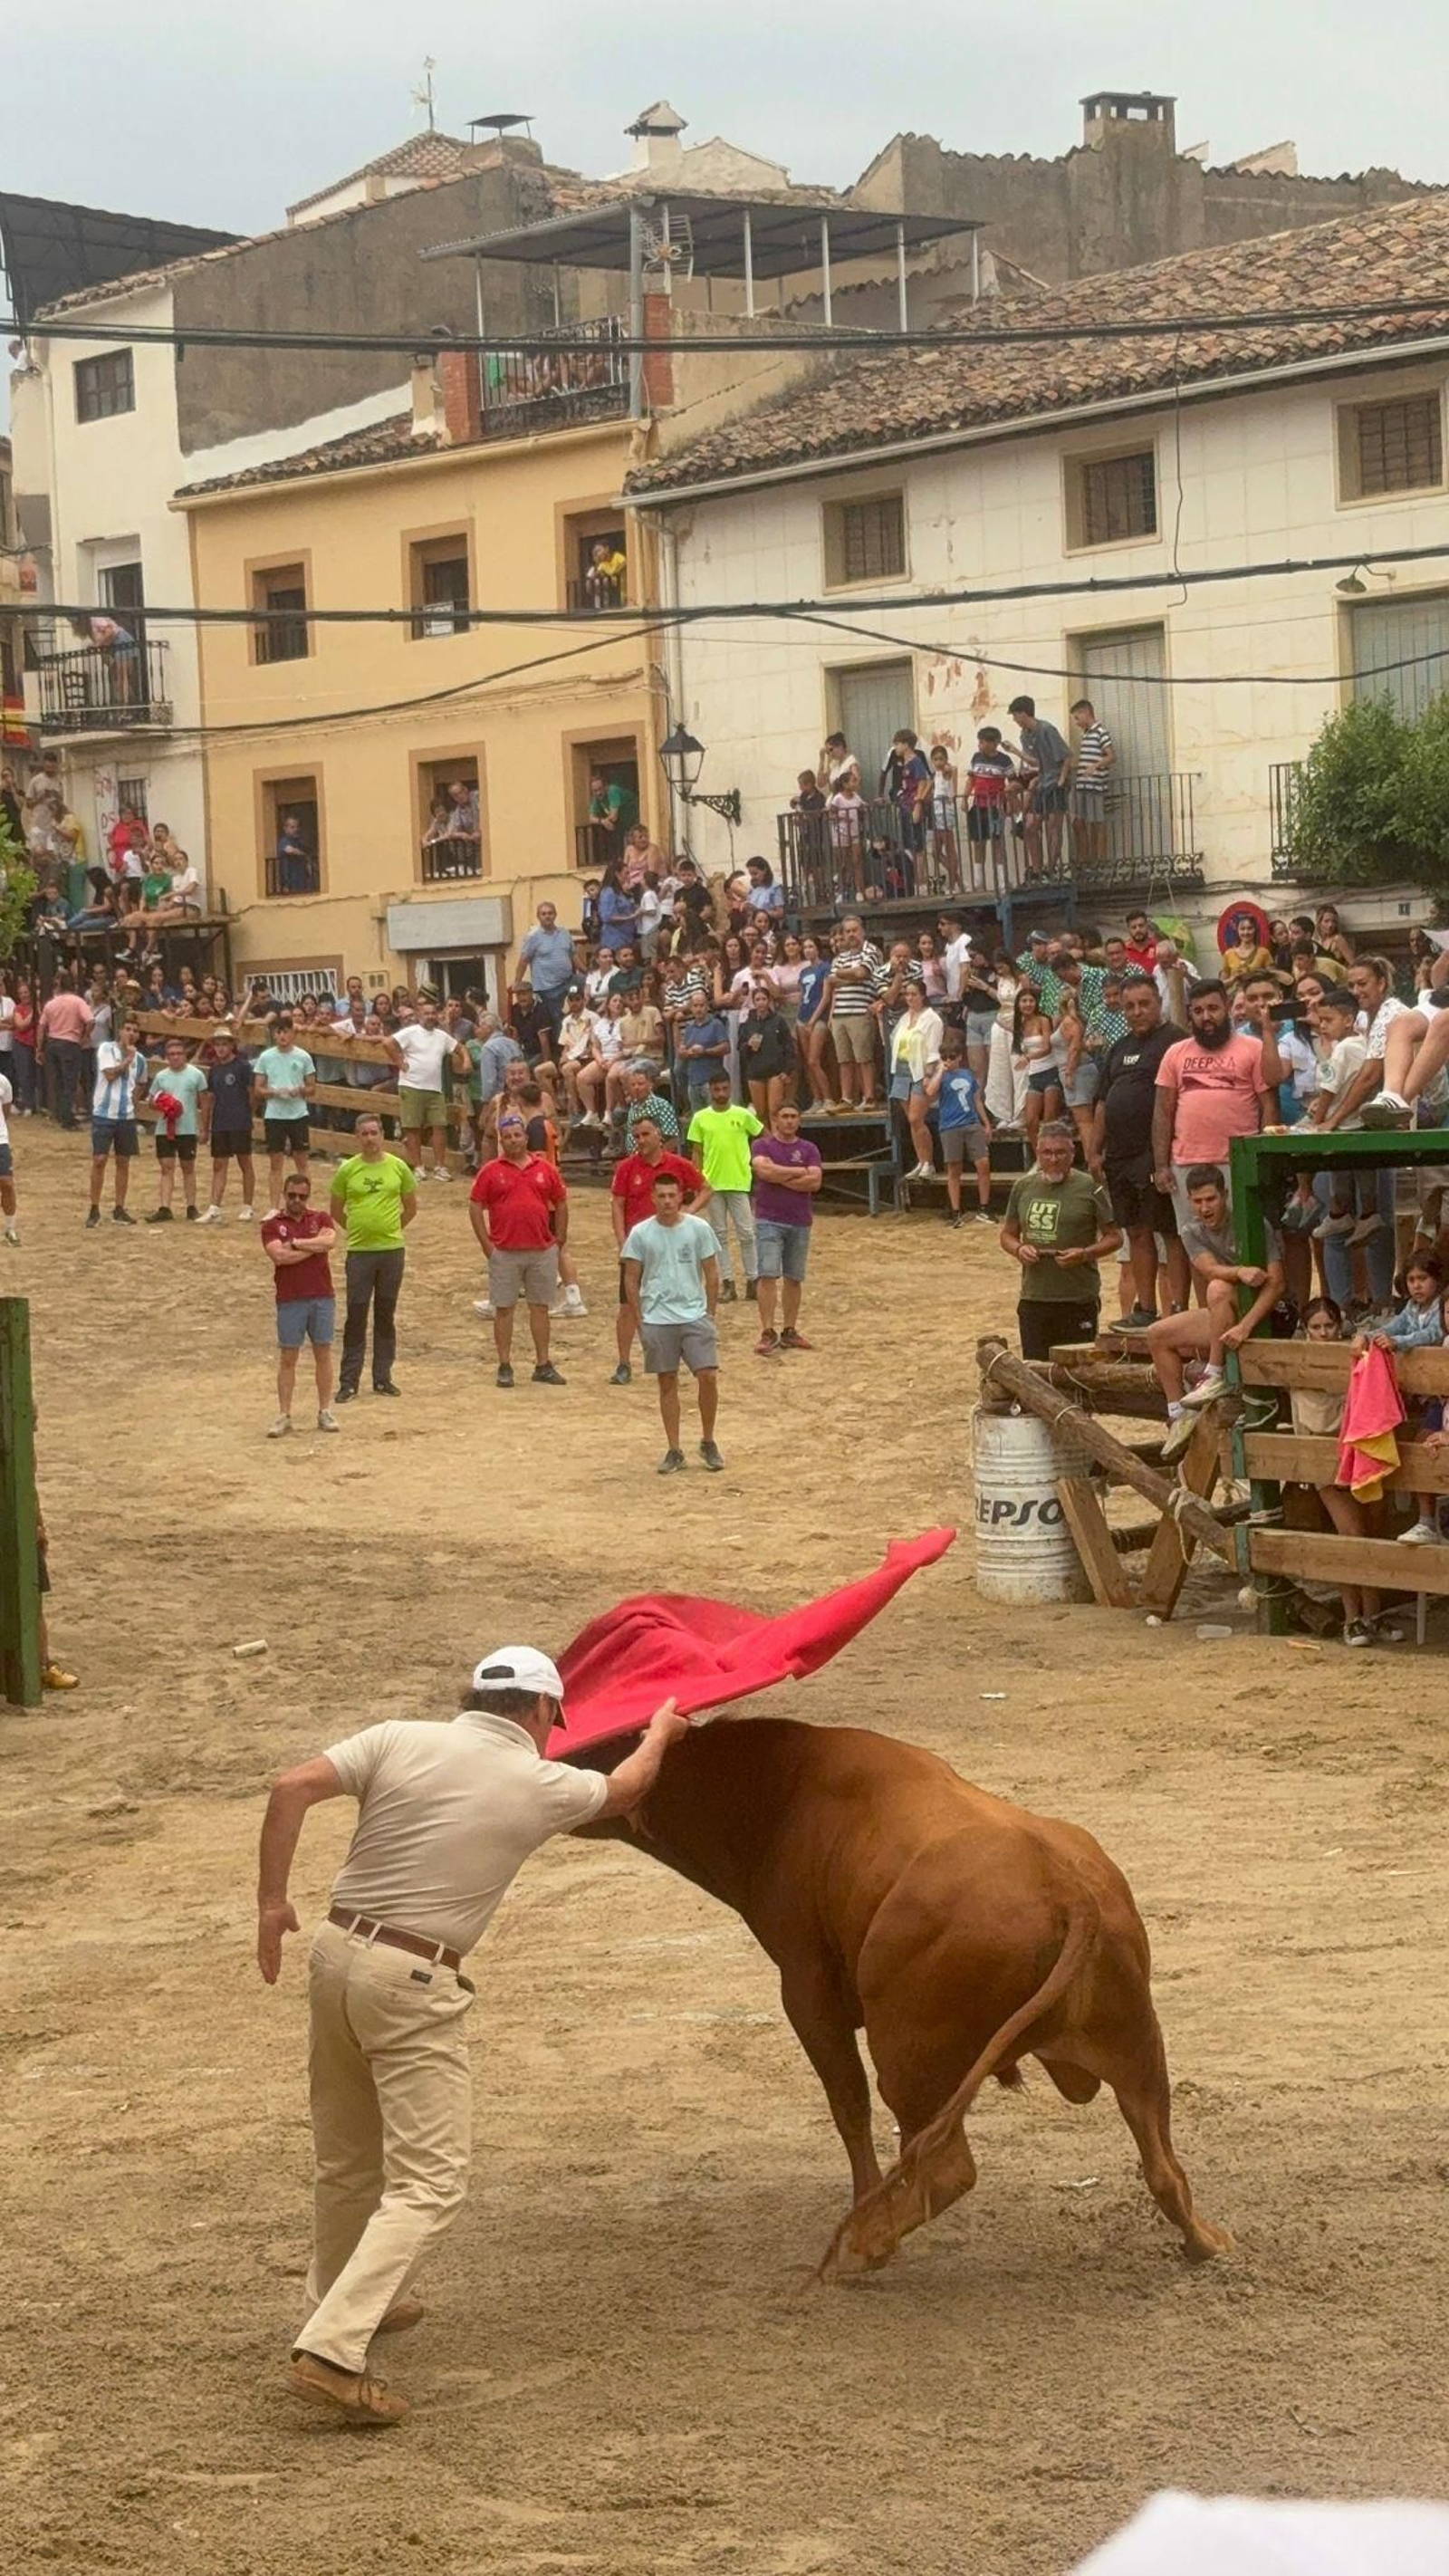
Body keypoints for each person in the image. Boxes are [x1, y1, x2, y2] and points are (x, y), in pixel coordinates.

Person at [256, 1651, 688, 2425]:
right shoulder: (539, 1780)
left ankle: (343, 2302)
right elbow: (627, 1789)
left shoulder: (397, 1736)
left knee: (348, 2158)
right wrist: (659, 1731)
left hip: (334, 1952)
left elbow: (291, 1787)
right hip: (411, 1979)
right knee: (430, 2181)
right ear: (541, 1712)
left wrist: (270, 1902)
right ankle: (332, 2348)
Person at [1146, 1165, 1286, 1459]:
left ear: (1225, 1195)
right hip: (1224, 1311)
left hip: (1266, 1315)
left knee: (1218, 1289)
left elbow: (1277, 1284)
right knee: (1157, 1334)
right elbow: (1208, 1268)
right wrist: (1240, 1271)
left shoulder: (1252, 1224)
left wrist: (1246, 1326)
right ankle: (1177, 1414)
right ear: (1188, 1201)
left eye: (1211, 1199)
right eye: (1197, 1201)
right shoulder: (1191, 1231)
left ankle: (1214, 1373)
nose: (1205, 1207)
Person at [1093, 975, 1190, 1327]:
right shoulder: (1119, 1048)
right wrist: (1094, 1150)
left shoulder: (1176, 1042)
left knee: (1170, 1232)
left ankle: (1178, 1310)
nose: (1137, 1012)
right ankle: (1145, 1309)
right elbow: (1103, 1101)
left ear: (1158, 1003)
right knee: (1135, 1230)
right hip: (1120, 1155)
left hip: (1156, 1154)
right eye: (1129, 1006)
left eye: (1144, 1004)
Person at [621, 1169, 724, 1472]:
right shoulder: (640, 1233)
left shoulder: (699, 1229)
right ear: (653, 1198)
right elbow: (631, 1279)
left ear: (681, 1197)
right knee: (667, 1381)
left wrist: (710, 1314)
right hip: (658, 1317)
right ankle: (674, 1448)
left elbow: (712, 1272)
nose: (667, 1201)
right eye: (661, 1196)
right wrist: (641, 1320)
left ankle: (708, 1439)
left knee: (708, 1375)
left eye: (672, 1195)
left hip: (694, 1314)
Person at [1150, 980, 1271, 1226]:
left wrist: (1263, 1157)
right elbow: (1163, 1112)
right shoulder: (1175, 1053)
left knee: (1244, 1235)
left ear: (1227, 1006)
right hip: (1185, 1163)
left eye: (1213, 1008)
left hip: (1238, 1161)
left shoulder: (1254, 1048)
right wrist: (1161, 1166)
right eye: (1198, 1011)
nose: (1206, 1017)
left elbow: (1269, 1106)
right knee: (1194, 1239)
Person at [1000, 1118, 1121, 1360]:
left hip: (1077, 1297)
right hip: (1035, 1296)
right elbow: (1007, 1234)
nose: (1053, 1160)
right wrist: (1019, 1249)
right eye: (1047, 1153)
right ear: (1038, 1153)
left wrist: (1085, 1254)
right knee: (1034, 1367)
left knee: (1077, 1368)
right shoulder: (1023, 1187)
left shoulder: (1090, 1187)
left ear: (1072, 1153)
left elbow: (1115, 1237)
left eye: (1060, 1153)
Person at [468, 1109, 568, 1389]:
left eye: (517, 1135)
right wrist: (487, 1244)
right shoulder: (491, 1171)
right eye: (508, 1136)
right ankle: (504, 1364)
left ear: (525, 1137)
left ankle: (543, 1363)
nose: (513, 1140)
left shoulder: (545, 1169)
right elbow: (475, 1205)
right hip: (505, 1250)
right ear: (502, 1140)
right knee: (504, 1309)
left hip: (541, 1249)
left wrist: (559, 1239)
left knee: (540, 1308)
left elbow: (561, 1201)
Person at [608, 1116, 708, 1383]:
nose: (640, 1141)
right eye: (637, 1136)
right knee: (628, 1304)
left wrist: (688, 1213)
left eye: (645, 1135)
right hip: (638, 1245)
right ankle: (624, 1362)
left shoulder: (678, 1165)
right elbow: (617, 1204)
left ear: (659, 1135)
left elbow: (706, 1189)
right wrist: (622, 1241)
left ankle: (670, 1355)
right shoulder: (627, 1167)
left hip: (671, 1244)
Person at [325, 1115, 417, 1402]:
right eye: (364, 1134)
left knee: (385, 1314)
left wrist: (391, 1230)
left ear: (382, 1135)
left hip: (391, 1251)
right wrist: (357, 1230)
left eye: (374, 1133)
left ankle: (382, 1377)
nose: (369, 1139)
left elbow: (411, 1207)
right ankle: (349, 1381)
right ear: (357, 1137)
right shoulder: (347, 1170)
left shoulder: (398, 1167)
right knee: (356, 1314)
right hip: (360, 1252)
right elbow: (336, 1209)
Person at [262, 1171, 340, 1437]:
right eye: (292, 1195)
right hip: (291, 1298)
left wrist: (296, 1243)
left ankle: (325, 1410)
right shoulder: (272, 1224)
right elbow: (279, 1257)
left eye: (302, 1197)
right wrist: (314, 1248)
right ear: (284, 1194)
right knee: (288, 1357)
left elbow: (330, 1241)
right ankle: (284, 1414)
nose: (297, 1201)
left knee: (323, 1353)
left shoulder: (321, 1217)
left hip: (321, 1295)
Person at [751, 1101, 823, 1357]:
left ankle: (789, 1330)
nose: (790, 1121)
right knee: (768, 1274)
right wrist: (797, 1172)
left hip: (799, 1220)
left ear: (799, 1120)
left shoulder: (809, 1148)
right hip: (769, 1219)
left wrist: (779, 1178)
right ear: (776, 1120)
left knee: (794, 1277)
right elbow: (763, 1171)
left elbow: (814, 1182)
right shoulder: (762, 1145)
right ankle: (768, 1331)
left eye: (794, 1116)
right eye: (785, 1116)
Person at [687, 1072, 761, 1302]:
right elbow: (697, 1152)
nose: (721, 1093)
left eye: (724, 1089)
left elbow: (761, 1136)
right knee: (720, 1235)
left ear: (730, 1089)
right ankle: (728, 1282)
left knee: (747, 1233)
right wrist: (698, 1180)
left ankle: (753, 1279)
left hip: (739, 1181)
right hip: (713, 1184)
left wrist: (755, 1162)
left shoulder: (743, 1115)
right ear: (710, 1090)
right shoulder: (700, 1118)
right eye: (717, 1089)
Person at [387, 997, 465, 1181]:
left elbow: (459, 1047)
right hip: (411, 1085)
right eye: (426, 1013)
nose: (430, 1016)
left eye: (433, 1013)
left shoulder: (441, 1036)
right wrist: (399, 1062)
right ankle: (418, 1167)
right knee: (412, 1127)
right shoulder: (410, 1032)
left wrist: (466, 1060)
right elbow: (388, 1043)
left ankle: (439, 1166)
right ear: (419, 1015)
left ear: (437, 1015)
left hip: (435, 1088)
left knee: (440, 1126)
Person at [925, 1033, 993, 1228]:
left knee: (983, 1164)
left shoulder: (967, 1075)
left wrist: (986, 1123)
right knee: (954, 1169)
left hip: (971, 1122)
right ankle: (956, 1211)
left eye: (952, 1057)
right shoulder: (941, 1077)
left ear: (959, 1057)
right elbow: (930, 1093)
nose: (948, 1060)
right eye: (944, 1057)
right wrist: (940, 1071)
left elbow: (976, 1100)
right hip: (950, 1126)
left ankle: (984, 1208)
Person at [86, 1016, 148, 1226]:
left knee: (123, 1161)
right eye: (127, 1029)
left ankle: (119, 1207)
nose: (131, 1033)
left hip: (125, 1115)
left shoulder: (141, 1059)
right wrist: (126, 1061)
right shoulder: (106, 1049)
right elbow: (110, 1075)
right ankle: (94, 1207)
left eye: (135, 1030)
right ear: (120, 1031)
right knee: (99, 1159)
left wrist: (133, 1101)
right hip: (104, 1113)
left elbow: (141, 1082)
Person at [253, 1015, 317, 1214]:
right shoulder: (266, 1057)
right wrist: (273, 1092)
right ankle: (274, 1207)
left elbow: (312, 1087)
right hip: (275, 1114)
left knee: (301, 1161)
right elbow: (258, 1088)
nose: (282, 1036)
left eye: (286, 1031)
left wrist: (299, 1090)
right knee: (275, 1162)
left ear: (292, 1033)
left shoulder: (303, 1056)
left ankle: (304, 1203)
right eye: (278, 1032)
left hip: (298, 1114)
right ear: (274, 1034)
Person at [197, 1024, 257, 1222]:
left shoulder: (243, 1067)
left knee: (244, 1162)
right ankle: (214, 1207)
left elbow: (252, 1095)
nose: (221, 1048)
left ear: (232, 1046)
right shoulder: (214, 1070)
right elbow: (210, 1099)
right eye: (217, 1044)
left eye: (224, 1044)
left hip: (239, 1121)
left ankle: (248, 1206)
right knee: (219, 1164)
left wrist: (247, 1116)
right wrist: (205, 1127)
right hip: (220, 1122)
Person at [824, 918, 884, 1111]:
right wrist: (853, 976)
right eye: (847, 931)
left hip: (861, 1011)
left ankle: (869, 1097)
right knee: (844, 1060)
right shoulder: (840, 957)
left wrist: (846, 975)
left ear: (862, 931)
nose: (851, 934)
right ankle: (847, 1099)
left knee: (864, 1058)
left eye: (854, 930)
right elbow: (831, 980)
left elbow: (862, 973)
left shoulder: (871, 951)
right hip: (839, 1013)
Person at [146, 1033, 207, 1224]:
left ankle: (191, 1206)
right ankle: (165, 1207)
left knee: (188, 1167)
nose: (175, 1057)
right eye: (171, 1054)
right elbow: (151, 1101)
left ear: (185, 1055)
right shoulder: (161, 1077)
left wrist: (204, 1128)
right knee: (166, 1167)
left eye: (179, 1053)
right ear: (167, 1056)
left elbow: (204, 1102)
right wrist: (163, 1105)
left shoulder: (196, 1075)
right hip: (165, 1128)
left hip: (187, 1128)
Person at [888, 980, 945, 1182]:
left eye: (913, 994)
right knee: (911, 1121)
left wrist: (928, 1075)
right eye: (907, 994)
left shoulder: (932, 1019)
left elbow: (933, 1050)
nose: (910, 998)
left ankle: (929, 1163)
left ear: (922, 995)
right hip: (902, 1070)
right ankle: (921, 1161)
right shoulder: (905, 1017)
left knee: (916, 1118)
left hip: (920, 1071)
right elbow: (893, 1040)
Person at [1008, 695, 1070, 876]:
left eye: (1015, 715)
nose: (1014, 720)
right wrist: (1015, 751)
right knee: (1030, 826)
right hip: (1043, 783)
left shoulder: (1047, 729)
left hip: (1055, 782)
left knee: (1053, 827)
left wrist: (1061, 781)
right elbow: (1034, 761)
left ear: (1023, 713)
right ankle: (1037, 869)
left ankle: (1050, 869)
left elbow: (1067, 757)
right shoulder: (1025, 735)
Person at [36, 974, 95, 1130]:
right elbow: (90, 1020)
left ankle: (59, 1113)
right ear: (73, 985)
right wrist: (84, 1037)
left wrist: (39, 1048)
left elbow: (41, 1027)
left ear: (59, 986)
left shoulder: (51, 1004)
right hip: (70, 1043)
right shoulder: (78, 1002)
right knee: (69, 1082)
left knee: (58, 1081)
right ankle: (67, 1118)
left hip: (53, 1042)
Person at [517, 902, 578, 1035]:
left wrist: (586, 972)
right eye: (543, 914)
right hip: (548, 988)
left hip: (568, 982)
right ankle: (560, 1045)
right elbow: (523, 960)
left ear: (555, 915)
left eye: (550, 913)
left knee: (580, 996)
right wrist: (517, 982)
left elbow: (573, 955)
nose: (547, 916)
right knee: (556, 1019)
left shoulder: (564, 933)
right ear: (538, 916)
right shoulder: (533, 937)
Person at [739, 985, 796, 1126]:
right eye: (758, 999)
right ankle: (765, 1140)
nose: (761, 1003)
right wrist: (748, 1045)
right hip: (755, 1072)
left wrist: (787, 1070)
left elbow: (789, 1047)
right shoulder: (748, 1023)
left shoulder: (778, 1021)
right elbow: (740, 1048)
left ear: (769, 1000)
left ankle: (777, 1138)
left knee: (774, 1112)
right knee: (760, 1115)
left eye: (764, 999)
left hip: (775, 1072)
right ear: (754, 1002)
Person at [1069, 698, 1116, 868]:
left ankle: (1100, 861)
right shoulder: (1086, 734)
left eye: (1077, 718)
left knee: (1097, 823)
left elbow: (1111, 756)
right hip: (1082, 785)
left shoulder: (1101, 732)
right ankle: (1087, 860)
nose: (1076, 722)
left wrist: (1095, 766)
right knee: (1081, 823)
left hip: (1095, 785)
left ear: (1086, 713)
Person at [676, 986, 731, 1113]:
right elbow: (682, 1051)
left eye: (701, 1005)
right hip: (693, 1082)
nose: (698, 1009)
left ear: (707, 1007)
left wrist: (705, 1051)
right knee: (698, 1118)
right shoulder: (690, 1028)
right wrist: (685, 1053)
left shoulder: (716, 1024)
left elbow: (726, 1048)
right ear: (691, 1008)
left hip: (711, 1082)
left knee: (716, 1115)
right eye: (695, 1006)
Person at [0, 1066, 17, 1247]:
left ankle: (10, 1228)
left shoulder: (3, 1081)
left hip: (0, 1140)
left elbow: (5, 1111)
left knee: (7, 1183)